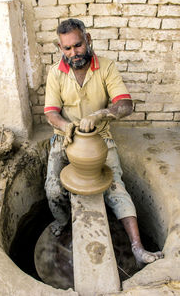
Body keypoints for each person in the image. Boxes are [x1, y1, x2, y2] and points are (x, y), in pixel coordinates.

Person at [44, 18, 163, 266]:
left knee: (116, 187)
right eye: (67, 48)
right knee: (53, 188)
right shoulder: (55, 73)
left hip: (99, 138)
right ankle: (63, 221)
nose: (73, 53)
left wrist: (101, 114)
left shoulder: (106, 67)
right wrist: (68, 127)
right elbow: (51, 113)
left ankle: (138, 248)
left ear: (87, 40)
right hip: (65, 136)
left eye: (77, 45)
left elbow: (126, 104)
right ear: (60, 47)